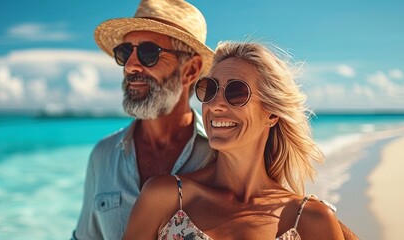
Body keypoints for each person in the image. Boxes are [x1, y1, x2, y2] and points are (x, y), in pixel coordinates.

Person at [123, 41, 344, 239]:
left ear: (272, 113)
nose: (214, 105)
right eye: (209, 90)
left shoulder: (310, 219)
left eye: (236, 92)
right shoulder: (165, 198)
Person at [73, 0, 214, 239]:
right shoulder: (102, 156)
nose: (130, 66)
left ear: (190, 70)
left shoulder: (220, 155)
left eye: (149, 53)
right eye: (125, 52)